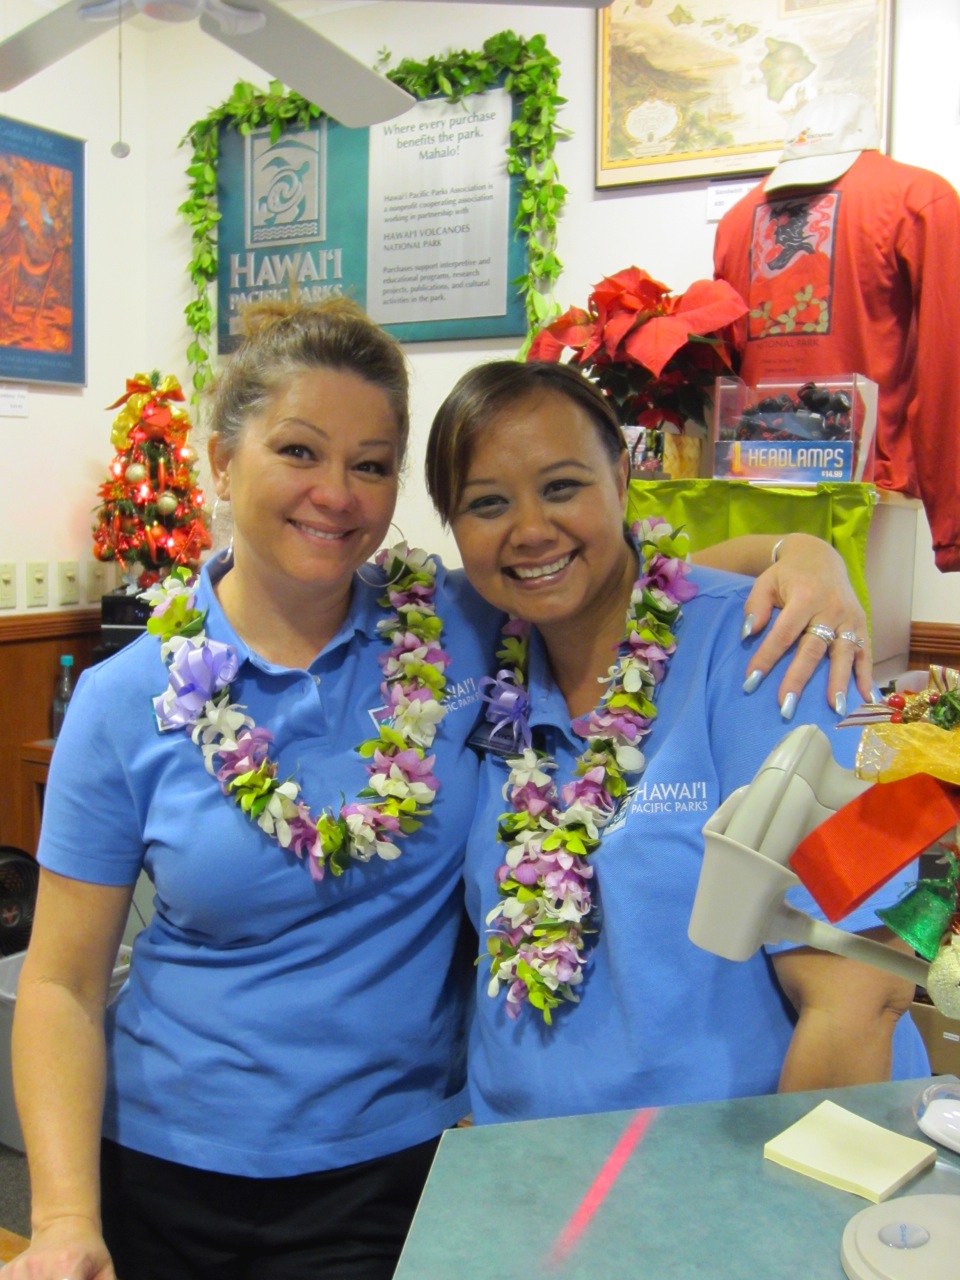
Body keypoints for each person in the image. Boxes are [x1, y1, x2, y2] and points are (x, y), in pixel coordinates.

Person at [9, 301, 878, 1280]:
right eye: (299, 450)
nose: (336, 492)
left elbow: (609, 575)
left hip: (408, 1164)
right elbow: (59, 983)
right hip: (174, 1161)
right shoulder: (130, 698)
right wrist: (63, 1217)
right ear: (221, 459)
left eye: (373, 463)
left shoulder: (455, 624)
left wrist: (795, 555)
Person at [424, 359, 929, 1126]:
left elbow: (861, 993)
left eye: (563, 487)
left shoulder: (771, 647)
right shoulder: (476, 664)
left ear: (622, 481)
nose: (530, 529)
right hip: (515, 1175)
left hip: (719, 1182)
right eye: (486, 503)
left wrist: (780, 1223)